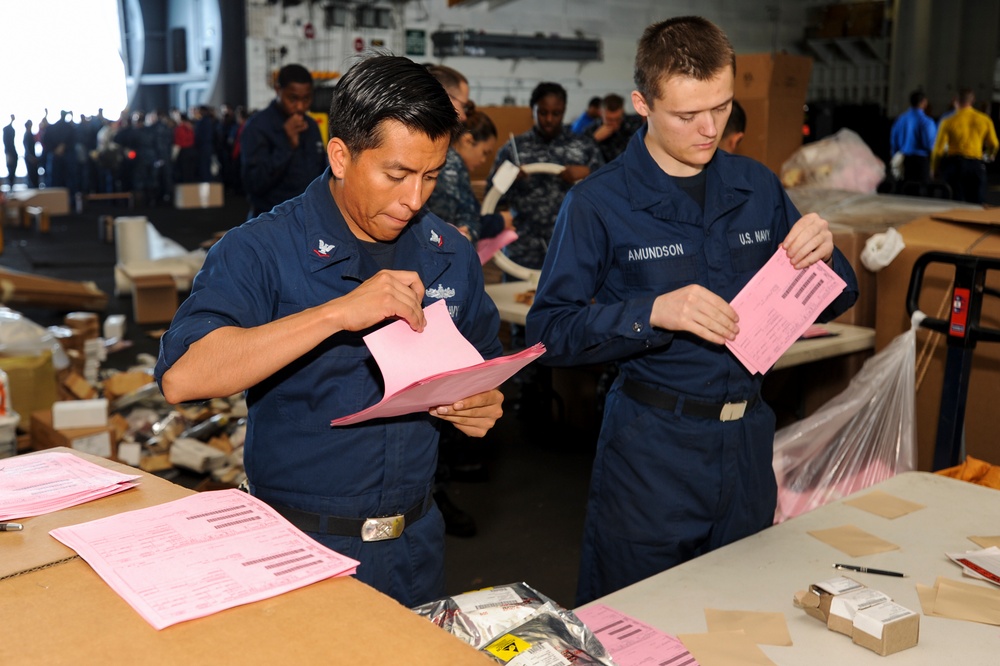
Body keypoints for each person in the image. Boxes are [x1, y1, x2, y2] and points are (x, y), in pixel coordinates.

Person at [525, 16, 859, 605]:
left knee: (743, 613)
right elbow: (550, 333)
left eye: (722, 108)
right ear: (642, 104)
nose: (709, 129)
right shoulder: (598, 204)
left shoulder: (756, 186)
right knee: (638, 616)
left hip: (749, 444)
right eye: (686, 115)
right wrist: (652, 311)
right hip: (652, 452)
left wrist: (826, 255)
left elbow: (836, 293)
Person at [154, 54, 505, 607]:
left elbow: (484, 363)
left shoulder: (449, 253)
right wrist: (335, 313)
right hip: (297, 549)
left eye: (430, 175)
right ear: (341, 155)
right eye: (395, 174)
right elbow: (184, 377)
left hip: (415, 545)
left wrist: (483, 402)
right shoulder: (260, 249)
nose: (414, 198)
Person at [487, 82, 604, 270]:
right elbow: (492, 194)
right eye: (542, 112)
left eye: (556, 113)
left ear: (564, 111)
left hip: (571, 243)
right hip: (522, 246)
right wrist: (509, 178)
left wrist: (588, 173)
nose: (549, 119)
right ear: (532, 110)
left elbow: (606, 192)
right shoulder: (513, 149)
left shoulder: (584, 147)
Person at [240, 64, 327, 218]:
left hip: (309, 218)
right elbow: (253, 184)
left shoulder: (311, 126)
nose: (300, 106)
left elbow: (320, 173)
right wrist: (286, 145)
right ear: (278, 90)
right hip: (269, 221)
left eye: (306, 98)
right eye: (293, 98)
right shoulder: (258, 127)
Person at [426, 110, 514, 243]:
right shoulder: (449, 169)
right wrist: (498, 222)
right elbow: (448, 220)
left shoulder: (457, 168)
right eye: (484, 152)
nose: (483, 160)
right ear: (468, 141)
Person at [931, 88, 998, 204]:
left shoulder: (948, 121)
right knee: (976, 203)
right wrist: (988, 155)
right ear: (973, 101)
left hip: (954, 165)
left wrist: (934, 168)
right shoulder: (985, 120)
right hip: (976, 165)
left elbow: (938, 150)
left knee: (952, 202)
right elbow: (995, 144)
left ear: (955, 101)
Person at [889, 91, 937, 184]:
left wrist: (894, 156)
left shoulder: (900, 120)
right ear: (924, 102)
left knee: (905, 192)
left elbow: (893, 140)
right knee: (920, 193)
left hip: (904, 160)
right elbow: (931, 144)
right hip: (921, 162)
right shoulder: (927, 122)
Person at [584, 93, 644, 162]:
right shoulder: (591, 130)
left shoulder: (635, 123)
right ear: (600, 113)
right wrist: (594, 139)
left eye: (618, 119)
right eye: (609, 120)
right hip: (604, 170)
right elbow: (580, 154)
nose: (614, 124)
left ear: (622, 111)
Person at [23, 119, 39, 189]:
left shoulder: (29, 134)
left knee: (33, 175)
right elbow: (27, 148)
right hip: (30, 157)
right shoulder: (27, 135)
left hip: (30, 156)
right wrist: (31, 157)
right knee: (32, 175)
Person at [4, 115, 16, 190]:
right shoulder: (7, 129)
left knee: (12, 170)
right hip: (9, 152)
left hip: (12, 152)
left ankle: (11, 185)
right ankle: (10, 185)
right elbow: (6, 142)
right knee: (10, 170)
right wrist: (8, 154)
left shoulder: (10, 129)